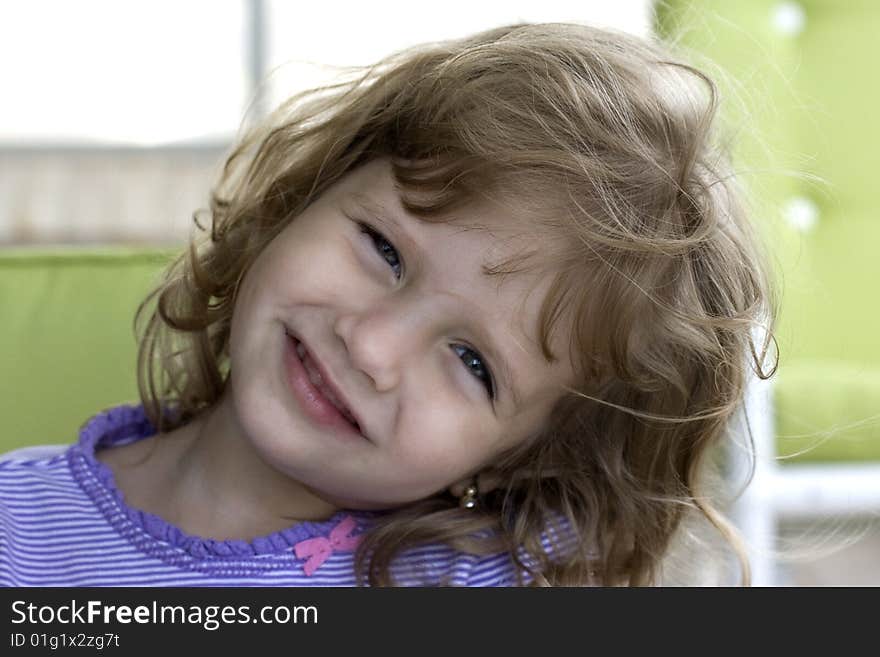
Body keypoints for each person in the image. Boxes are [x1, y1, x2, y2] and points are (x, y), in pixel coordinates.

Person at [0, 21, 776, 586]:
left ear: (520, 461)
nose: (371, 347)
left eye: (473, 363)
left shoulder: (489, 586)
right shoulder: (17, 524)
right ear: (296, 200)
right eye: (384, 250)